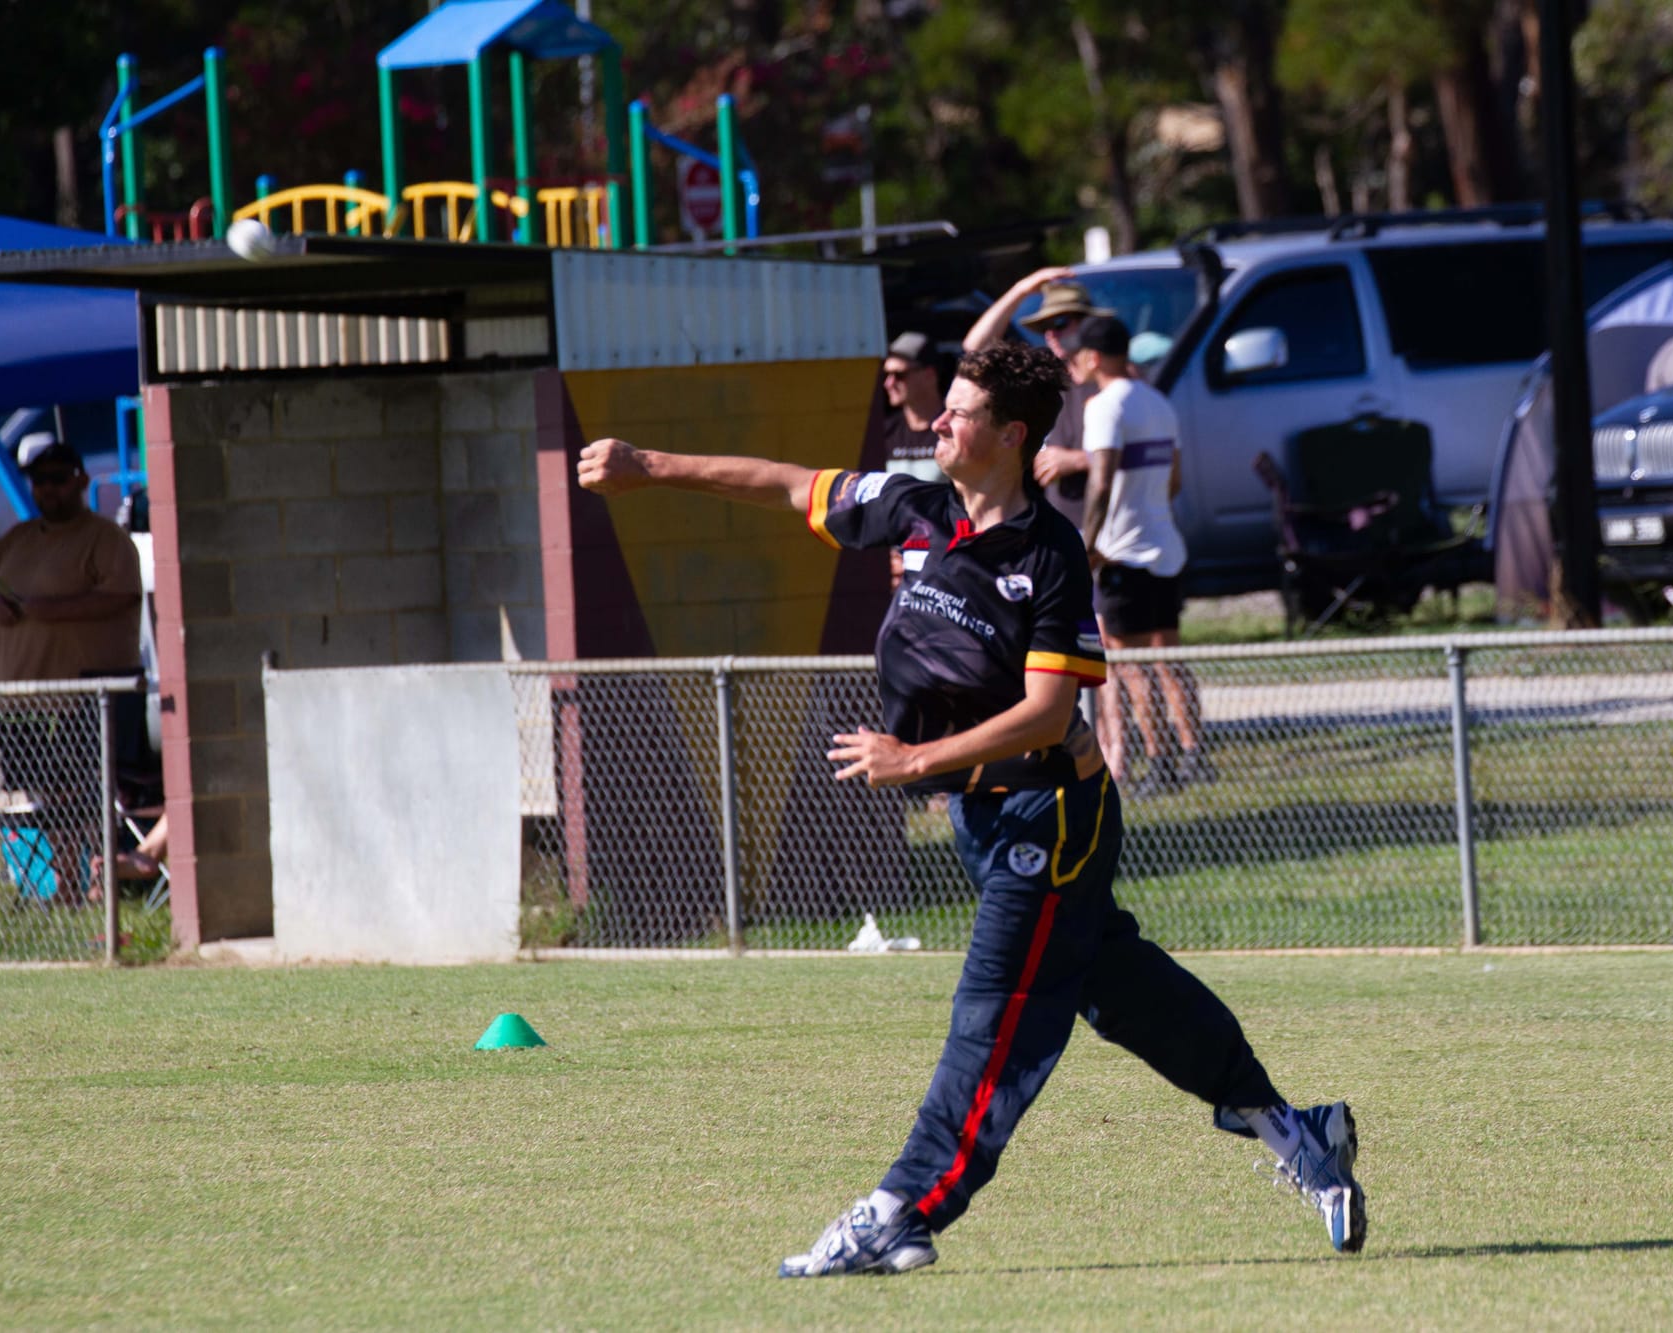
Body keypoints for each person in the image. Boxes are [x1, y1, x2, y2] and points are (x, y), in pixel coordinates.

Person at [577, 340, 1365, 1278]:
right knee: (1121, 992)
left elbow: (1048, 712)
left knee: (995, 1017)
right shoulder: (916, 510)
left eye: (958, 410)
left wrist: (914, 757)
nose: (937, 421)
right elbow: (789, 484)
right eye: (943, 406)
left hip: (1050, 818)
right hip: (986, 822)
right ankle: (1296, 1130)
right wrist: (646, 467)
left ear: (1011, 435)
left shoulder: (1048, 552)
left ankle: (899, 1212)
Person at [0, 441, 143, 904]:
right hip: (18, 697)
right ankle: (64, 882)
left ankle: (90, 881)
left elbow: (121, 595)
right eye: (39, 480)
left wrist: (52, 609)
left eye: (57, 478)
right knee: (39, 793)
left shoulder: (106, 539)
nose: (47, 489)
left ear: (81, 480)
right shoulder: (17, 538)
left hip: (82, 692)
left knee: (80, 790)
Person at [1064, 316, 1212, 794]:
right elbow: (1174, 481)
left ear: (1093, 357)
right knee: (1169, 655)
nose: (1073, 363)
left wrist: (1086, 547)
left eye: (1077, 354)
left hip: (1122, 554)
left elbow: (1101, 479)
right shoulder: (1158, 403)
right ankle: (1194, 754)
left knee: (1130, 667)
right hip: (1164, 546)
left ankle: (1159, 763)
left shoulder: (1104, 407)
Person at [963, 266, 1112, 527]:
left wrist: (1077, 460)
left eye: (1060, 323)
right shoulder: (1047, 376)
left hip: (1107, 530)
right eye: (1044, 326)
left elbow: (1146, 450)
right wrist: (1021, 289)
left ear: (1087, 322)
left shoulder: (1114, 378)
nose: (1051, 333)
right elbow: (975, 347)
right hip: (1060, 525)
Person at [879, 331, 947, 484]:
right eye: (886, 375)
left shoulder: (952, 428)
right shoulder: (886, 432)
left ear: (929, 375)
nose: (888, 384)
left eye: (899, 375)